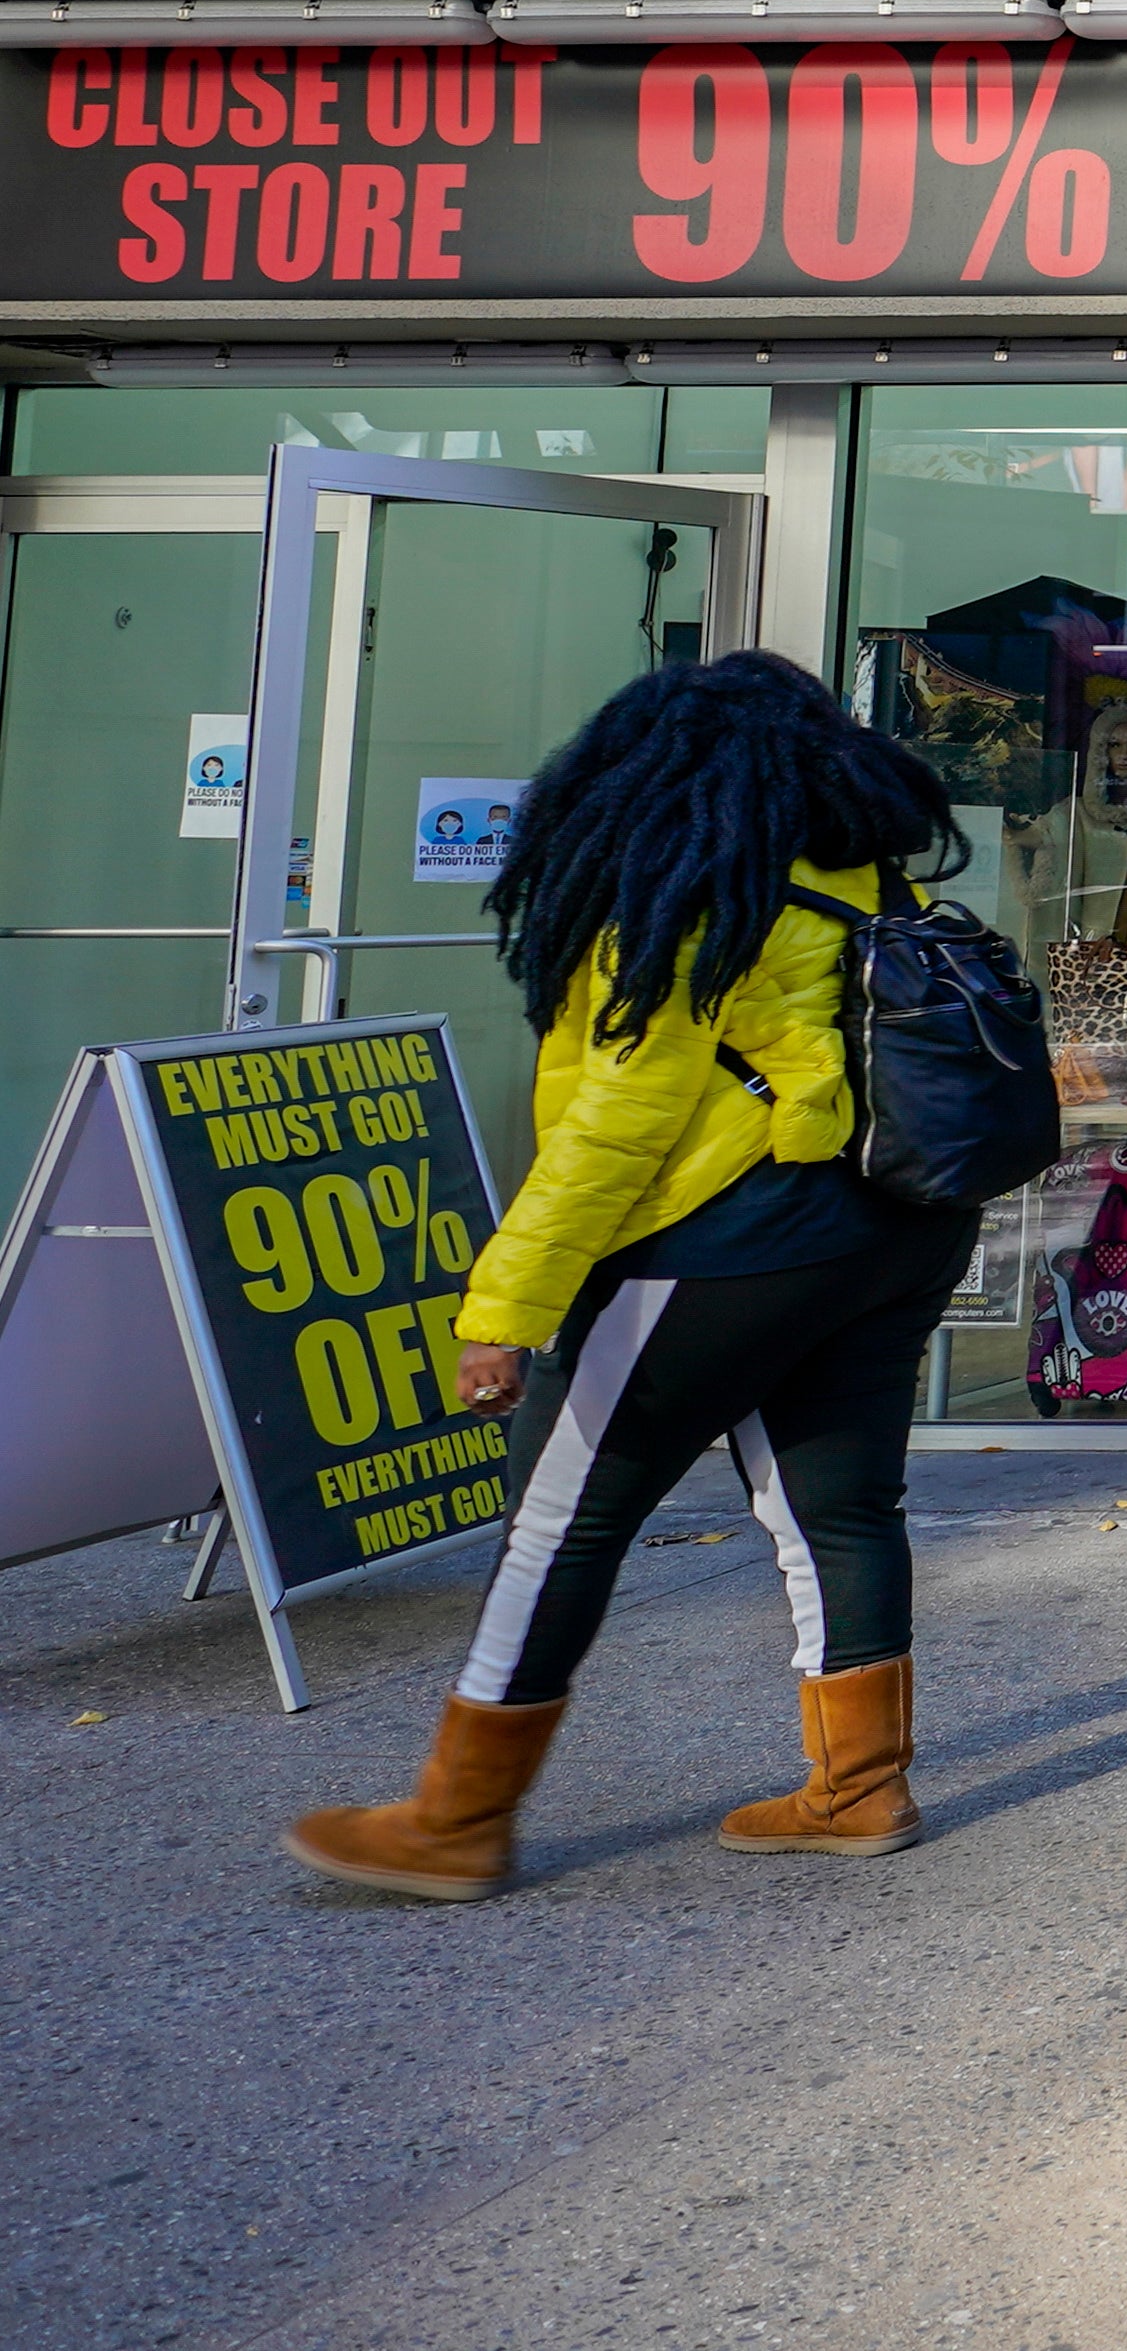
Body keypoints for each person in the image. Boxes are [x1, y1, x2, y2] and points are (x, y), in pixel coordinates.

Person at [285, 654, 980, 1901]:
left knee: (566, 1516)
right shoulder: (857, 872)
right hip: (889, 1225)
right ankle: (859, 1787)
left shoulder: (683, 895)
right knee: (837, 1507)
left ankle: (454, 1821)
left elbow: (616, 1131)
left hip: (724, 1243)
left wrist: (504, 1311)